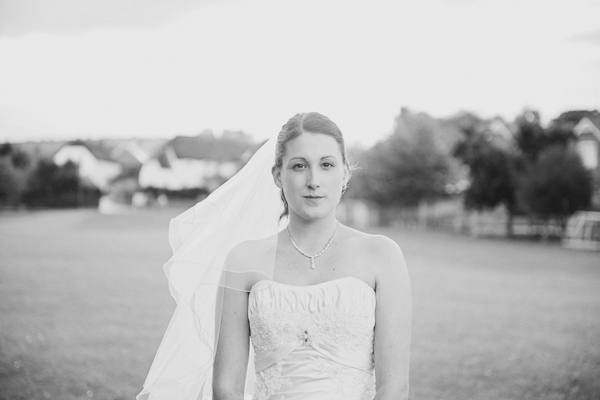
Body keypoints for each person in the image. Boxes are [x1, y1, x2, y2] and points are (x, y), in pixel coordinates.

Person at [138, 112, 411, 400]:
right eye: (299, 166)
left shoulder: (382, 256)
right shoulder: (243, 260)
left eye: (327, 165)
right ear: (278, 175)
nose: (314, 180)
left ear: (344, 173)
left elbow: (394, 387)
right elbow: (226, 386)